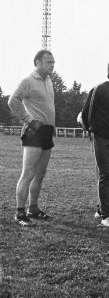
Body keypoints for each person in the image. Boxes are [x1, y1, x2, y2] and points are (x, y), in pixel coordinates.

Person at [9, 50, 57, 227]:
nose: (52, 65)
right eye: (48, 62)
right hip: (34, 131)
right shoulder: (28, 81)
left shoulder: (49, 81)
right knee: (28, 173)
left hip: (47, 131)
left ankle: (33, 209)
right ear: (37, 62)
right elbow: (12, 101)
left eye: (53, 62)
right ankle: (20, 213)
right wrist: (28, 119)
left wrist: (52, 126)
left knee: (40, 174)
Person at [81, 60, 109, 227]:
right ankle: (105, 216)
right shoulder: (99, 89)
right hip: (100, 137)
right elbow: (87, 112)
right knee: (104, 174)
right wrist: (91, 131)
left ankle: (101, 208)